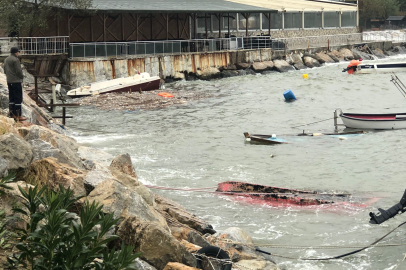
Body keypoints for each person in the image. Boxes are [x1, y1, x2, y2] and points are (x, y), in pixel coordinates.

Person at [4, 47, 26, 121]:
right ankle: (18, 115)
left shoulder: (6, 59)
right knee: (18, 98)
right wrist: (21, 77)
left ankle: (11, 114)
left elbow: (4, 70)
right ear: (16, 52)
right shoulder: (15, 60)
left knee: (11, 97)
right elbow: (18, 71)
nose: (18, 53)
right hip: (16, 81)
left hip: (9, 81)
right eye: (18, 52)